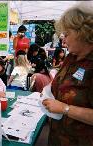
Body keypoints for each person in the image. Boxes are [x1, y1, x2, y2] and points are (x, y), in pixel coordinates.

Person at [42, 2, 93, 146]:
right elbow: (62, 82)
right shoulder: (71, 57)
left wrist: (65, 109)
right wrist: (48, 90)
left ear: (83, 33)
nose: (63, 40)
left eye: (67, 34)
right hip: (58, 137)